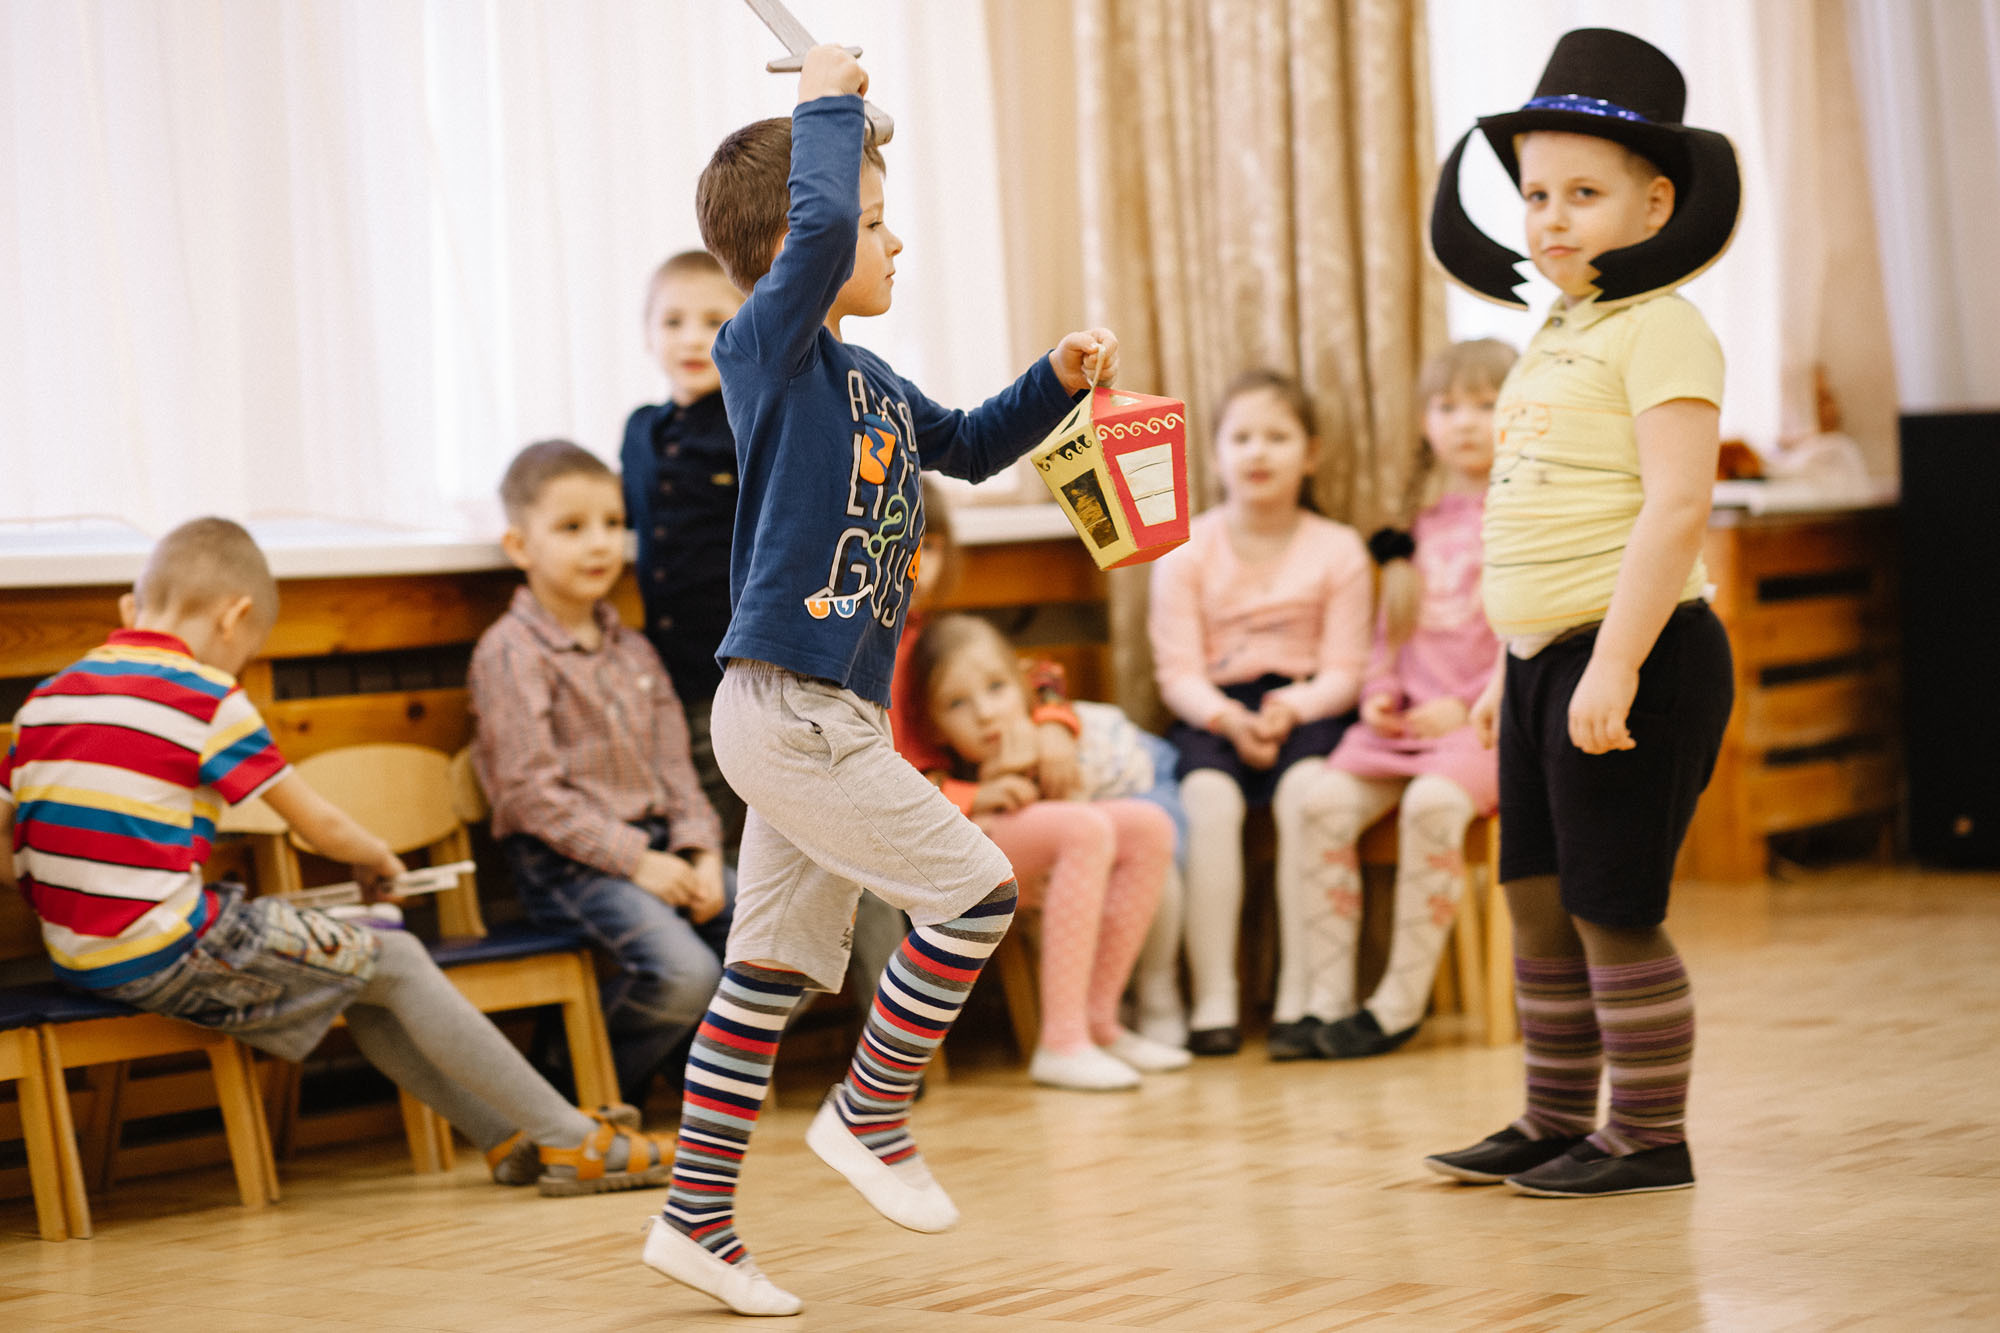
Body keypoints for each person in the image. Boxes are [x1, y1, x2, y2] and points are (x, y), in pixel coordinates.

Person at [640, 45, 1119, 1317]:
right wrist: (827, 104)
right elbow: (809, 227)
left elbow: (963, 445)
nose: (893, 245)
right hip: (789, 708)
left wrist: (1055, 383)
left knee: (763, 975)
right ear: (810, 231)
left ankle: (694, 1220)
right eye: (875, 222)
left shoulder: (868, 382)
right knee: (973, 892)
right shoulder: (765, 353)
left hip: (822, 713)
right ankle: (867, 1109)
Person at [0, 517, 675, 1196]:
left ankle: (505, 1134)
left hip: (76, 956)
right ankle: (570, 1140)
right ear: (235, 618)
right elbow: (315, 822)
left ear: (129, 609)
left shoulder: (46, 700)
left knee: (364, 965)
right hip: (168, 950)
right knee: (400, 955)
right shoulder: (205, 697)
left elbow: (8, 845)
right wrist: (378, 857)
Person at [1422, 28, 1740, 1197]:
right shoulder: (1558, 326)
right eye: (1535, 194)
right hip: (1542, 660)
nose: (1550, 218)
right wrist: (1513, 658)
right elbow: (1539, 502)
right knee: (1535, 895)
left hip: (1641, 657)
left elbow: (1672, 509)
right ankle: (1555, 1117)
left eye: (1584, 194)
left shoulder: (1662, 324)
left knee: (1611, 906)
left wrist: (1609, 666)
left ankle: (1648, 1133)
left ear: (1655, 203)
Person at [1270, 339, 1515, 1061]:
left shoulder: (1526, 513)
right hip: (1406, 728)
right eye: (1447, 407)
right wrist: (1380, 693)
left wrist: (1467, 704)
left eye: (1484, 403)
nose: (1465, 421)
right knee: (1322, 803)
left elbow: (1527, 637)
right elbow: (1390, 636)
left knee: (1432, 808)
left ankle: (1397, 1003)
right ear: (1424, 422)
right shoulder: (1418, 523)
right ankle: (1323, 1001)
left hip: (1485, 726)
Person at [469, 440, 731, 1111]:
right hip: (569, 865)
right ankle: (565, 1086)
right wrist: (640, 863)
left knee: (767, 936)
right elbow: (531, 796)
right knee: (683, 974)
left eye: (613, 524)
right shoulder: (512, 652)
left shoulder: (634, 648)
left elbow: (678, 773)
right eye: (571, 527)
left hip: (659, 850)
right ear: (519, 545)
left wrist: (700, 853)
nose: (599, 543)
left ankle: (677, 1076)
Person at [1146, 369, 1372, 1056]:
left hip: (1308, 706)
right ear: (1215, 455)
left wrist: (1291, 708)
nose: (1258, 452)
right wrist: (1227, 719)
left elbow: (1346, 670)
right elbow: (1176, 672)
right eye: (1241, 437)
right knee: (1207, 800)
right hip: (1216, 711)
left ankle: (1304, 997)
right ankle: (1215, 999)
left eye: (1278, 436)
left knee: (1309, 796)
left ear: (1313, 453)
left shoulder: (1340, 549)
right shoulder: (1186, 550)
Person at [902, 613, 1187, 1090]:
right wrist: (974, 795)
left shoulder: (1038, 718)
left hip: (1025, 843)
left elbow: (1044, 673)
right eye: (957, 704)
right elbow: (900, 790)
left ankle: (1100, 1022)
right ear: (932, 725)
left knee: (1148, 826)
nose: (986, 714)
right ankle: (1063, 1040)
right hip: (960, 852)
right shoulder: (936, 760)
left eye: (997, 688)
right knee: (1084, 827)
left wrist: (1051, 725)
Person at [620, 250, 750, 853]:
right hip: (672, 674)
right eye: (672, 322)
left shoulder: (751, 423)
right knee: (705, 822)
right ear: (648, 333)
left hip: (746, 673)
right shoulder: (639, 430)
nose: (692, 339)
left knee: (764, 829)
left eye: (714, 321)